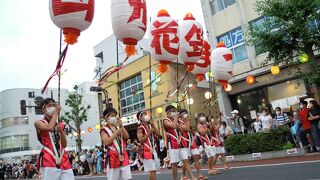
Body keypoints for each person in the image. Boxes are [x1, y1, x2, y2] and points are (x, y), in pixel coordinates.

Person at [34, 98, 74, 180]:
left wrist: (61, 132)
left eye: (54, 105)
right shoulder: (38, 122)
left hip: (63, 158)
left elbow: (64, 144)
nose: (53, 107)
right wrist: (56, 112)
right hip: (48, 158)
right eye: (49, 106)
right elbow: (49, 127)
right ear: (44, 109)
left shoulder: (60, 124)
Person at [100, 107, 132, 180]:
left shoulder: (117, 127)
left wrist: (121, 127)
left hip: (123, 155)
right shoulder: (104, 129)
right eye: (112, 116)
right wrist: (116, 133)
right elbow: (107, 142)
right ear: (106, 118)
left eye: (115, 115)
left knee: (128, 178)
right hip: (112, 157)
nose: (114, 117)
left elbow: (127, 136)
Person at [137, 110, 161, 180]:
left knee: (154, 170)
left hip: (154, 150)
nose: (146, 115)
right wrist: (149, 133)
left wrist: (153, 125)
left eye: (146, 114)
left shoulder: (150, 126)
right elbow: (140, 140)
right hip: (146, 151)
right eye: (144, 115)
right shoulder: (140, 128)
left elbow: (158, 134)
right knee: (152, 170)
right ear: (140, 118)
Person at [178, 109, 197, 180]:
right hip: (181, 143)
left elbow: (192, 131)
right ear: (180, 115)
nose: (186, 115)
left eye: (186, 113)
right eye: (184, 113)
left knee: (186, 160)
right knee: (185, 160)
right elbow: (187, 129)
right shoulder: (179, 122)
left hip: (187, 143)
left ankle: (183, 175)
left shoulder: (186, 122)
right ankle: (192, 177)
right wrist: (188, 121)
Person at [163, 105, 181, 180]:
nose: (174, 112)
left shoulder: (174, 119)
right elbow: (173, 126)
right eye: (173, 111)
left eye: (175, 111)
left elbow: (179, 128)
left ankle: (181, 176)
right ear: (168, 112)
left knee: (177, 162)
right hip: (171, 143)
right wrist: (176, 117)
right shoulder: (165, 120)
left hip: (176, 142)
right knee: (174, 163)